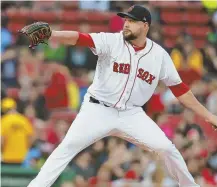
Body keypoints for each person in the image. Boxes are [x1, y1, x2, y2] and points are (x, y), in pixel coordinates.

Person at [22, 5, 217, 187]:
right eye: (125, 20)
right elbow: (80, 38)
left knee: (166, 148)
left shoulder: (159, 56)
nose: (126, 24)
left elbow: (181, 90)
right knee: (66, 148)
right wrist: (52, 34)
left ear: (145, 25)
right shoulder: (112, 41)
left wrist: (209, 116)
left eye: (131, 21)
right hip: (97, 109)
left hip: (131, 114)